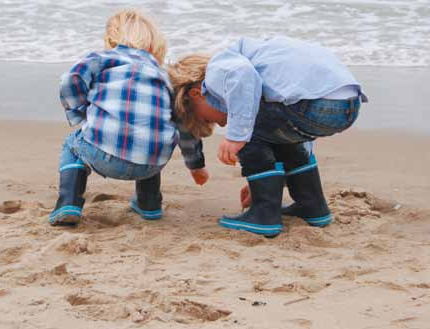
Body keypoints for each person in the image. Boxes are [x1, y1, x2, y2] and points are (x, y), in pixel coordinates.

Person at [168, 36, 367, 237]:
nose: (221, 123)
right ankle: (313, 206)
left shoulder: (218, 68)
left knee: (247, 123)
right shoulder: (261, 63)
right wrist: (266, 185)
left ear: (197, 94)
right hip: (347, 104)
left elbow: (242, 75)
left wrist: (236, 136)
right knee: (265, 125)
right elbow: (294, 140)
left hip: (313, 102)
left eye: (206, 119)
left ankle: (264, 216)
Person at [50, 9, 209, 226]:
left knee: (72, 145)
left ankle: (68, 203)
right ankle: (149, 204)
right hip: (152, 164)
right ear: (154, 46)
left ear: (111, 39)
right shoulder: (164, 76)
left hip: (103, 155)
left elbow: (71, 79)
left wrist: (80, 111)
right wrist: (196, 166)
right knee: (152, 133)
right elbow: (183, 123)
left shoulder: (101, 59)